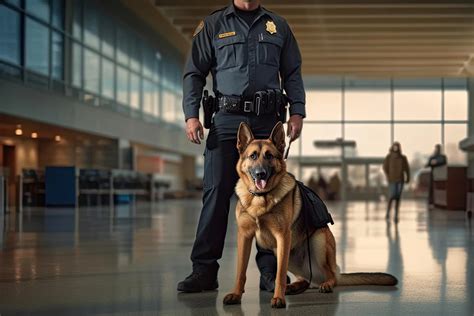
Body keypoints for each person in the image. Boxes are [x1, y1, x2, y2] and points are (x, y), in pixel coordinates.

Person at [178, 0, 305, 293]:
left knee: (271, 198)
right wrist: (191, 115)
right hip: (226, 120)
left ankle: (270, 274)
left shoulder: (278, 26)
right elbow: (194, 72)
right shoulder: (214, 25)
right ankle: (204, 271)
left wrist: (297, 111)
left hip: (268, 120)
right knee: (216, 193)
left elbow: (293, 72)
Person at [383, 142, 410, 223]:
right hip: (392, 180)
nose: (396, 148)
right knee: (392, 196)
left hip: (400, 180)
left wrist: (408, 178)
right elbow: (385, 167)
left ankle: (396, 215)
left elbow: (407, 169)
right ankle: (388, 213)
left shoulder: (403, 158)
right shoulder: (389, 157)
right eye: (394, 146)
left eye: (397, 146)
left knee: (398, 197)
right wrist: (388, 176)